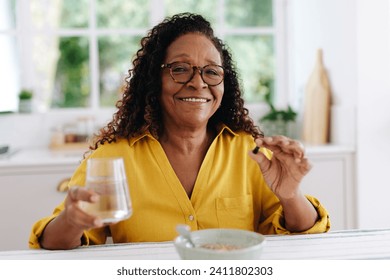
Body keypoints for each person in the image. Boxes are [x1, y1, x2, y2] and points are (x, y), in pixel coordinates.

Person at [29, 13, 330, 250]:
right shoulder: (113, 157)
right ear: (154, 80)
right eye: (180, 69)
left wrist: (291, 196)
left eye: (211, 71)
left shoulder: (249, 153)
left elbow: (302, 238)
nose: (198, 83)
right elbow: (54, 243)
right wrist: (71, 220)